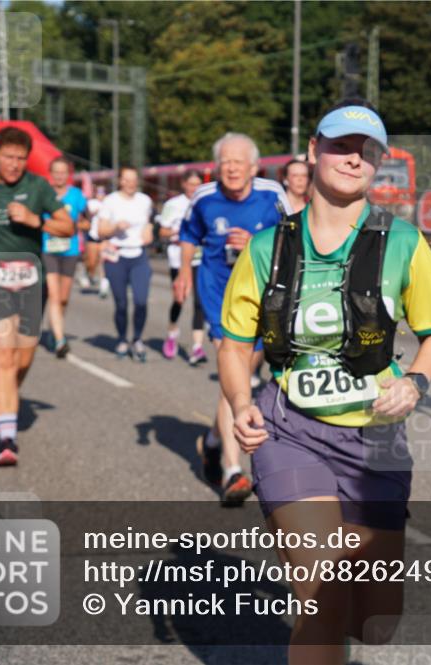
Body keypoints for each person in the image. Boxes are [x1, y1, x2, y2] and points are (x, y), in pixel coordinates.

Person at [220, 101, 431, 664]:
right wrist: (238, 404)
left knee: (374, 622)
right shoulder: (265, 248)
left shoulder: (402, 241)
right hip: (289, 430)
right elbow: (234, 344)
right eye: (341, 145)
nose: (354, 159)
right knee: (320, 590)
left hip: (376, 442)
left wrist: (417, 382)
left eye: (367, 151)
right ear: (312, 151)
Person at [174, 133, 291, 504]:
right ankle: (232, 469)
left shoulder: (272, 195)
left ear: (254, 167)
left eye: (239, 161)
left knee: (243, 377)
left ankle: (211, 440)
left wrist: (258, 244)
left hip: (262, 296)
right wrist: (181, 273)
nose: (232, 168)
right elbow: (188, 234)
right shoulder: (205, 198)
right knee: (235, 374)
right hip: (219, 295)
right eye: (226, 161)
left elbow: (294, 238)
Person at [0, 127, 73, 466]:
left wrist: (36, 220)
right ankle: (7, 438)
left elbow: (67, 226)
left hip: (31, 282)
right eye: (8, 157)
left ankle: (2, 399)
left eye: (21, 158)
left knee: (22, 360)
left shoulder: (37, 187)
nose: (15, 164)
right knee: (3, 357)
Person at [95, 166, 154, 360]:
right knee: (121, 304)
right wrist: (115, 227)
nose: (131, 183)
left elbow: (148, 223)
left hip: (139, 256)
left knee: (141, 300)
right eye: (126, 179)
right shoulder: (111, 201)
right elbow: (101, 230)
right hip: (116, 257)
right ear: (120, 181)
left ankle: (137, 339)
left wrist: (148, 232)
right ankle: (122, 339)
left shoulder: (144, 200)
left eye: (134, 179)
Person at [40, 157, 87, 358]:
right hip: (47, 248)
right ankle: (60, 340)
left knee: (64, 298)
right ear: (51, 174)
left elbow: (86, 222)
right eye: (56, 172)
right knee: (54, 294)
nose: (59, 175)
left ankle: (54, 328)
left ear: (68, 175)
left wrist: (73, 227)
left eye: (63, 172)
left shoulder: (76, 195)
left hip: (70, 250)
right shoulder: (43, 194)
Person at [159, 170, 207, 361]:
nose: (194, 188)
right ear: (184, 184)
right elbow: (162, 231)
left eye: (198, 184)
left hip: (200, 258)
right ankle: (172, 331)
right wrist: (178, 233)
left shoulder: (205, 203)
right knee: (180, 298)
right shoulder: (173, 204)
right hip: (178, 259)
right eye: (191, 184)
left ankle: (197, 347)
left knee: (199, 302)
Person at [82, 186, 110, 298]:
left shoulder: (109, 203)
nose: (101, 195)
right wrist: (93, 213)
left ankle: (104, 286)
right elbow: (86, 216)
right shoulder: (91, 203)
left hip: (104, 238)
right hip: (92, 236)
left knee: (103, 262)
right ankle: (88, 273)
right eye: (99, 193)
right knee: (92, 262)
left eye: (102, 193)